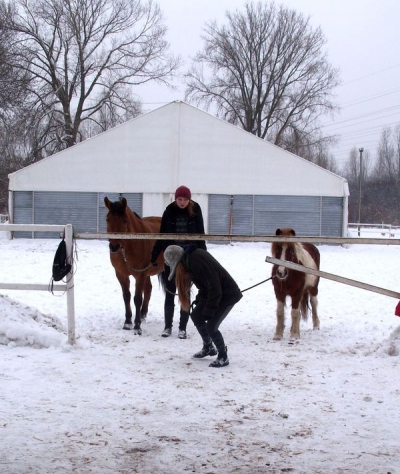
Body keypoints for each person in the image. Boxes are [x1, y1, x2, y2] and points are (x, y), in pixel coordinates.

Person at [163, 244, 242, 368]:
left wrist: (209, 310)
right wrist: (200, 300)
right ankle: (208, 346)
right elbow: (205, 285)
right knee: (196, 315)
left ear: (178, 262)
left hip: (228, 295)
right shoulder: (190, 260)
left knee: (211, 326)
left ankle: (223, 355)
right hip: (217, 294)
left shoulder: (195, 261)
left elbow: (214, 287)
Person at [151, 185, 207, 339]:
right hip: (171, 256)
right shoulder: (169, 210)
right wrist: (154, 255)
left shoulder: (195, 210)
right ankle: (167, 326)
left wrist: (204, 257)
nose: (182, 202)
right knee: (169, 292)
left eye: (185, 199)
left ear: (189, 199)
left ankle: (183, 328)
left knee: (185, 292)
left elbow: (200, 234)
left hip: (189, 256)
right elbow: (162, 235)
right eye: (180, 199)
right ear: (176, 199)